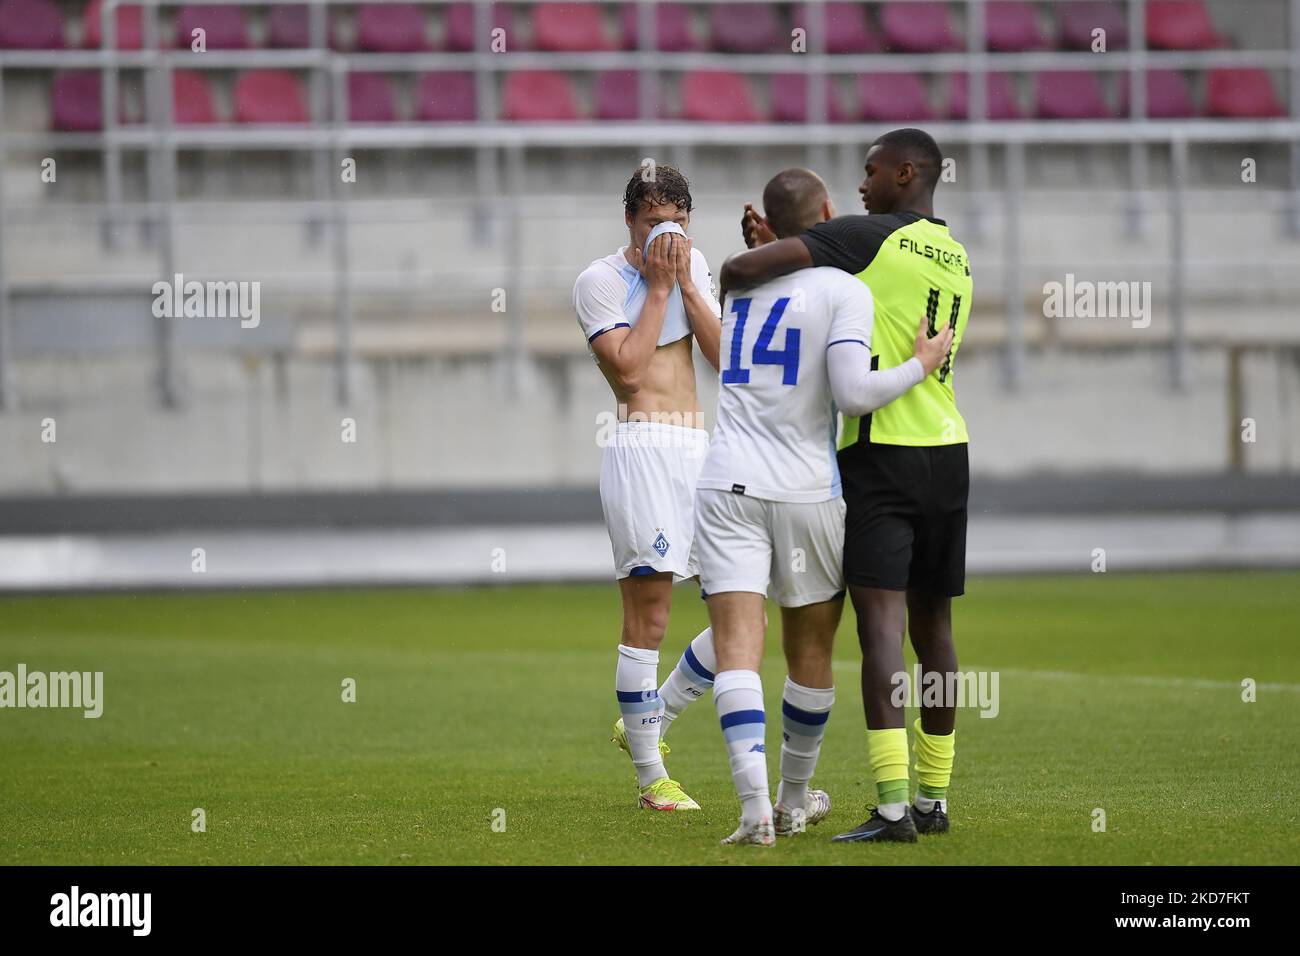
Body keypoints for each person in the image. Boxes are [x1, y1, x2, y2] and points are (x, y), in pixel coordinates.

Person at [720, 129, 973, 843]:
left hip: (881, 452)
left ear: (904, 172)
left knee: (881, 627)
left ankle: (892, 809)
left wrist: (780, 243)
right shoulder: (955, 251)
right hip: (948, 448)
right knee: (938, 632)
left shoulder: (866, 235)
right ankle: (934, 797)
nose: (860, 185)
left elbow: (741, 269)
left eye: (869, 172)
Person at [573, 163, 722, 810]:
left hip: (701, 449)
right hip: (643, 449)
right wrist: (659, 287)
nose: (669, 234)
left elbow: (725, 358)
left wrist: (687, 282)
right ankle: (650, 778)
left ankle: (649, 717)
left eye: (679, 223)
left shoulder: (697, 265)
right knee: (650, 616)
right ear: (630, 220)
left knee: (745, 610)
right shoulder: (599, 281)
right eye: (656, 221)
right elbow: (630, 374)